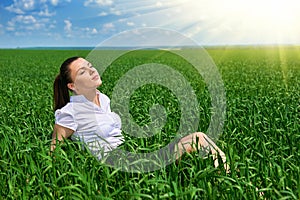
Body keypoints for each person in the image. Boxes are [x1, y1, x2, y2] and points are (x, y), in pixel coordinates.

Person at [51, 56, 229, 172]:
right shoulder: (69, 113)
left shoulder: (102, 98)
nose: (92, 71)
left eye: (90, 66)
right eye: (83, 72)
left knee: (199, 142)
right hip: (116, 166)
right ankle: (234, 180)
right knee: (198, 142)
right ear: (72, 86)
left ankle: (230, 176)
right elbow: (54, 151)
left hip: (131, 154)